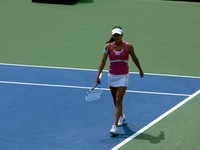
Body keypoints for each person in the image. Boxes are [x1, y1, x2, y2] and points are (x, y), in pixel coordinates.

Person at [95, 26, 144, 135]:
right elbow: (102, 62)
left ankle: (114, 126)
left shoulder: (128, 46)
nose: (116, 36)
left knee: (118, 100)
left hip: (123, 76)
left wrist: (140, 69)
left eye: (118, 35)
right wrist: (98, 75)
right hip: (112, 75)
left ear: (122, 35)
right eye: (115, 35)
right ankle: (121, 116)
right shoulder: (108, 47)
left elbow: (135, 58)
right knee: (115, 100)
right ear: (113, 35)